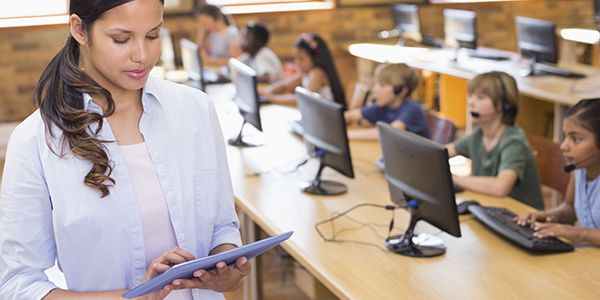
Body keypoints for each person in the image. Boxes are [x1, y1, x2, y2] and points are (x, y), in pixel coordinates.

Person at [0, 0, 250, 299]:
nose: (142, 56)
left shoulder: (196, 111)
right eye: (121, 39)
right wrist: (133, 297)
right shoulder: (35, 141)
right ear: (79, 29)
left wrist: (225, 270)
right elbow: (18, 285)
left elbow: (222, 226)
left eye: (153, 35)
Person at [446, 71, 544, 210]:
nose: (470, 102)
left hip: (522, 219)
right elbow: (439, 154)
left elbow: (500, 187)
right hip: (492, 209)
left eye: (480, 97)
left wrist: (456, 179)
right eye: (471, 95)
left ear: (505, 105)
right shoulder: (478, 136)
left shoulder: (513, 142)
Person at [515, 99, 600, 246]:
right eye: (565, 136)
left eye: (575, 139)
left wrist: (580, 233)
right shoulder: (579, 169)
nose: (564, 146)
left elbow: (580, 232)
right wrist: (551, 215)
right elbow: (569, 208)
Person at [344, 63, 429, 140]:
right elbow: (350, 116)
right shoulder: (383, 105)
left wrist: (346, 134)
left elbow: (388, 133)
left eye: (382, 85)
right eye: (375, 84)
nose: (375, 89)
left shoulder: (412, 109)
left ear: (400, 90)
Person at [260, 33, 346, 109]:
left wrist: (273, 98)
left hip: (327, 118)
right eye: (295, 58)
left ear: (315, 59)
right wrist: (267, 92)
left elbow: (305, 99)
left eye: (301, 59)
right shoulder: (306, 73)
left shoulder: (318, 72)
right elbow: (284, 85)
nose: (296, 62)